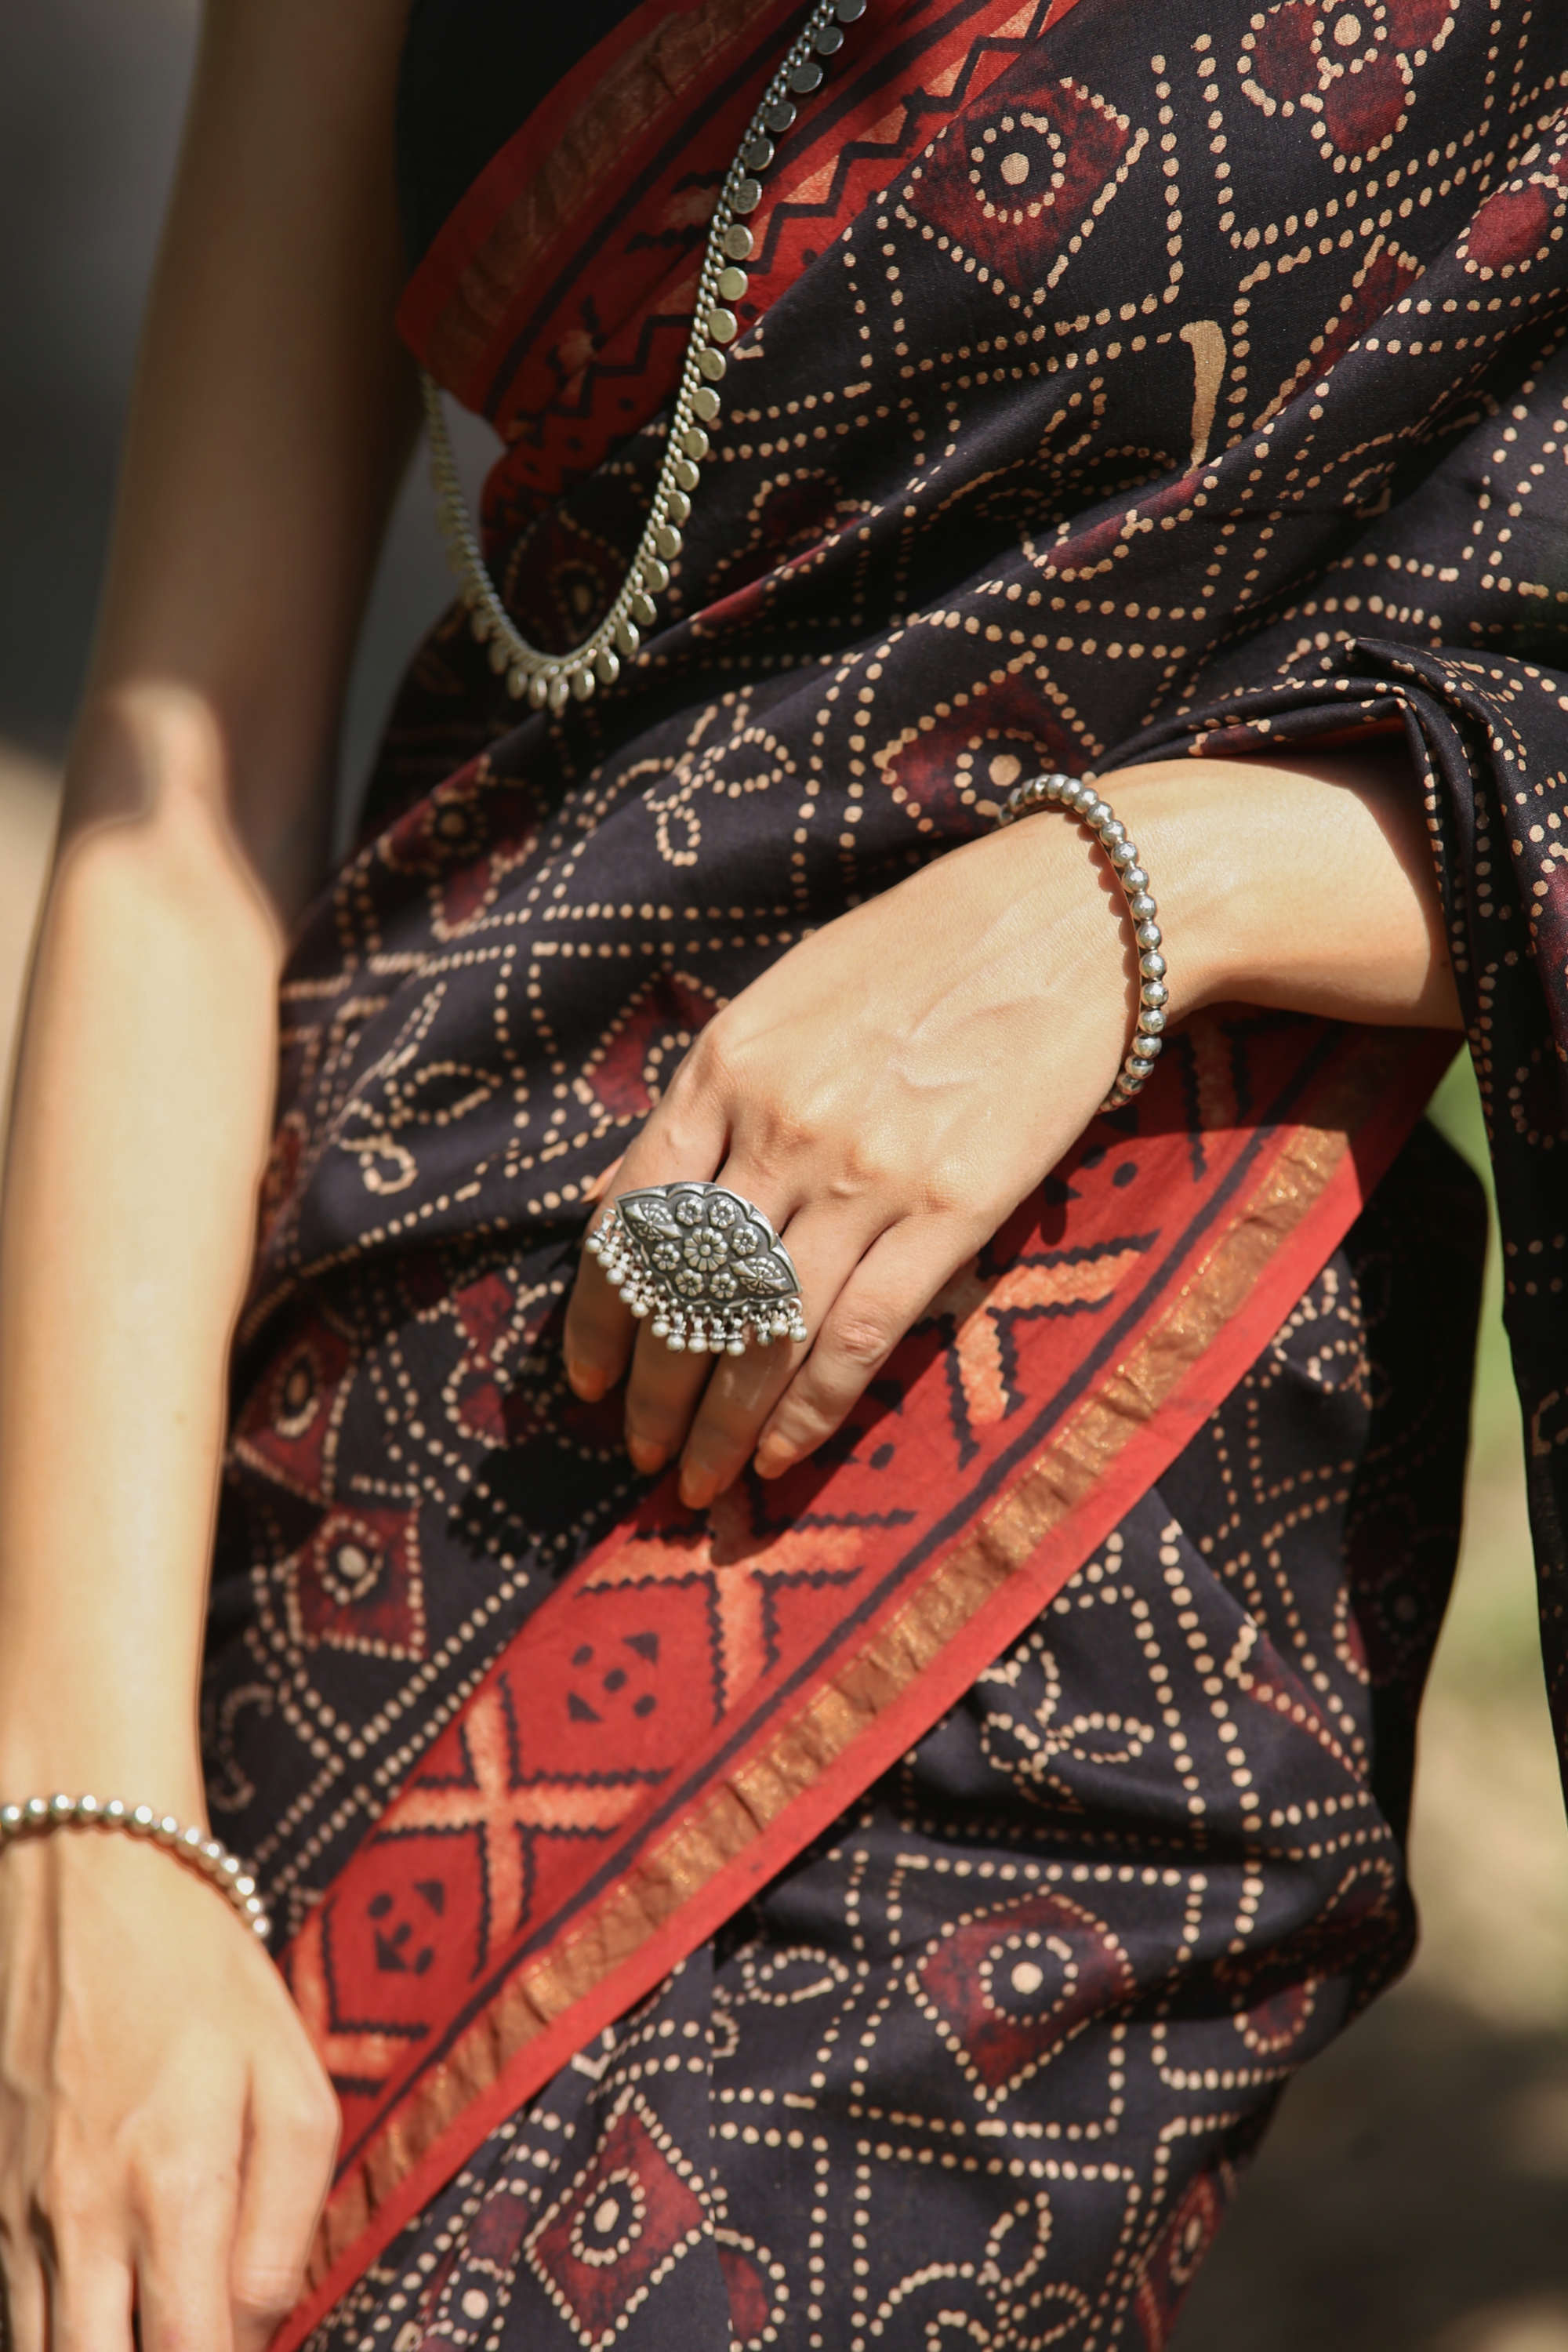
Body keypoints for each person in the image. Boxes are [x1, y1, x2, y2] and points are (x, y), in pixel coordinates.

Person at [1, 0, 1564, 2345]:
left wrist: (1149, 890)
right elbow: (177, 801)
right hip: (364, 1435)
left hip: (1079, 1517)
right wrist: (83, 1830)